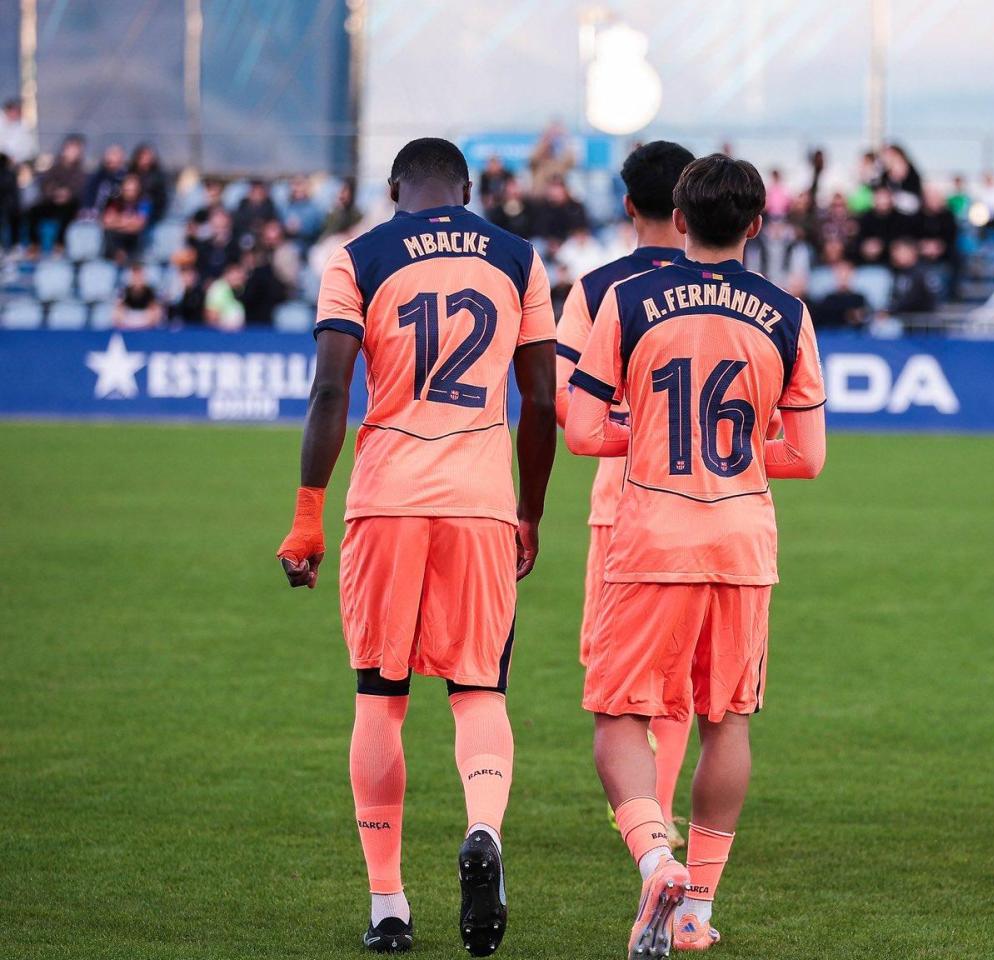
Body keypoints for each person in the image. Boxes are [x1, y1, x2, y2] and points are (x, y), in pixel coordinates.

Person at [274, 137, 558, 955]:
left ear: (396, 188)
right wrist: (528, 512)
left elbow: (332, 388)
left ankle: (389, 905)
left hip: (387, 501)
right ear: (466, 190)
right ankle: (483, 830)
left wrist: (305, 514)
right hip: (479, 503)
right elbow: (539, 401)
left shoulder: (356, 257)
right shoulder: (517, 259)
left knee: (380, 700)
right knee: (479, 691)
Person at [563, 154, 826, 955]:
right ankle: (698, 910)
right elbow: (808, 455)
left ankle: (654, 856)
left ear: (679, 221)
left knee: (619, 720)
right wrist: (739, 453)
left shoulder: (627, 299)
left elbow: (580, 432)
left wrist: (645, 439)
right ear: (755, 225)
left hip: (651, 533)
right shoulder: (787, 312)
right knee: (727, 720)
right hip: (742, 539)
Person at [552, 140, 697, 856]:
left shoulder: (599, 288)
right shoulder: (735, 289)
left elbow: (562, 398)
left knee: (620, 672)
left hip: (627, 504)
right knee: (682, 676)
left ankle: (646, 820)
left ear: (629, 205)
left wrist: (638, 435)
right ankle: (659, 811)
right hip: (715, 503)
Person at [26, 135, 85, 251]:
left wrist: (66, 194)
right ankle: (34, 245)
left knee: (68, 211)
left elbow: (77, 189)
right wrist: (56, 193)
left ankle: (59, 244)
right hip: (52, 202)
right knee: (34, 210)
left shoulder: (81, 171)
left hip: (69, 205)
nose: (72, 153)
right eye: (70, 149)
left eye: (76, 150)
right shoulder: (55, 168)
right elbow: (46, 185)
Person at [100, 174, 151, 263]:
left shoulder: (144, 202)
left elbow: (139, 225)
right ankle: (117, 256)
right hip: (115, 241)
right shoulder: (115, 201)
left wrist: (118, 222)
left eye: (133, 190)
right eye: (128, 190)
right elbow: (107, 222)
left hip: (133, 242)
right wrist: (127, 222)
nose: (130, 192)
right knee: (109, 234)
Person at [809, 260, 869, 329]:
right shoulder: (828, 299)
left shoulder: (859, 298)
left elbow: (865, 319)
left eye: (846, 273)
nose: (843, 276)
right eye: (840, 273)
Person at [113, 264, 164, 330]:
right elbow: (118, 309)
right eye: (135, 276)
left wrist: (145, 320)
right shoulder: (125, 290)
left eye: (139, 276)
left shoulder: (150, 291)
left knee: (156, 312)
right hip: (129, 318)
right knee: (117, 312)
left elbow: (156, 310)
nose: (137, 279)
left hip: (145, 318)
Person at [0, 97, 37, 165]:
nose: (18, 113)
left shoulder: (24, 127)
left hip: (15, 165)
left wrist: (15, 159)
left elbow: (29, 150)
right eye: (15, 110)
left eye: (19, 110)